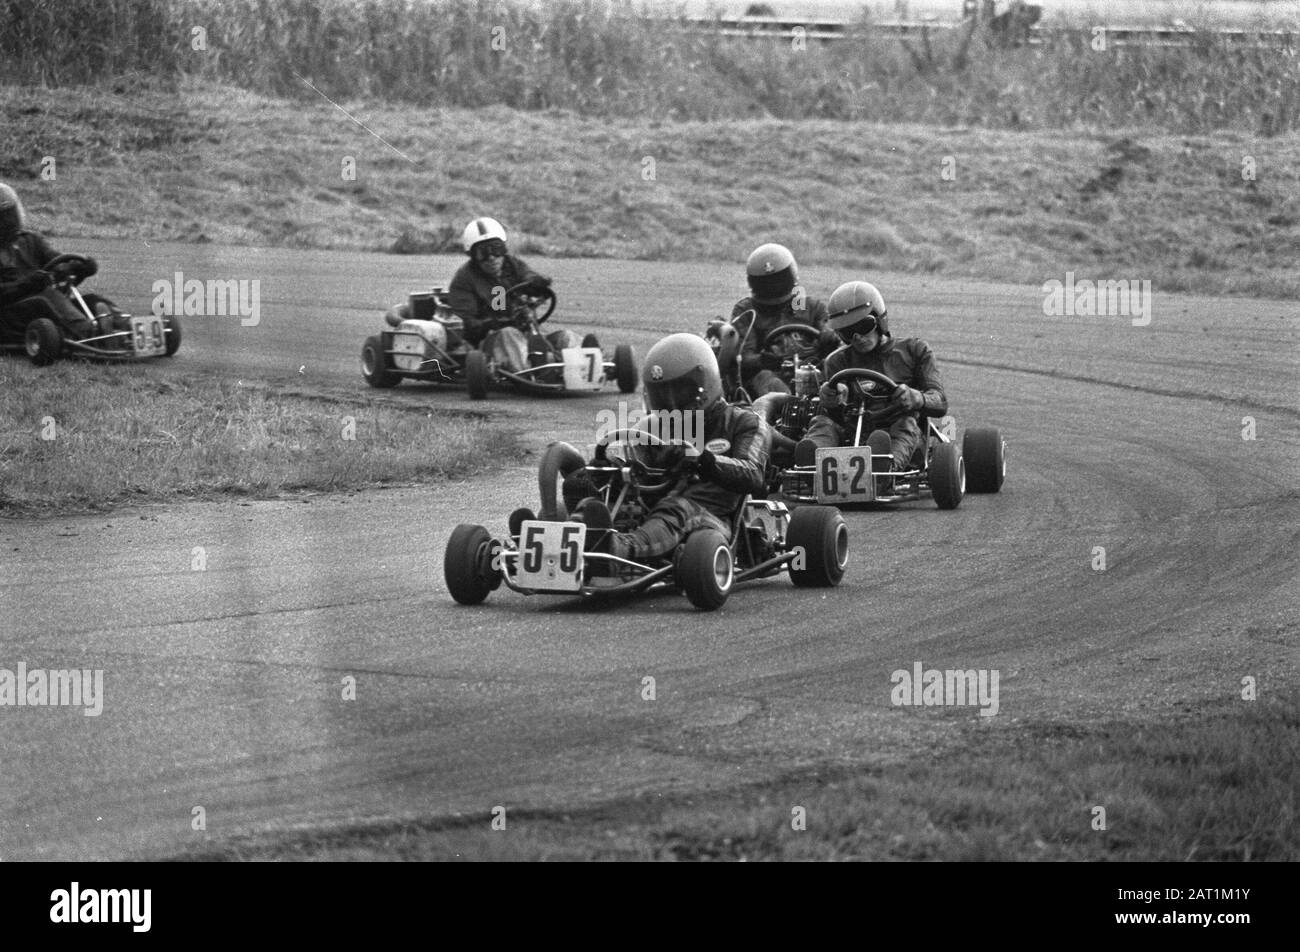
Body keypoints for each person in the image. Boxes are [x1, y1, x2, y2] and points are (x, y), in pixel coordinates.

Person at [543, 333, 769, 564]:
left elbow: (753, 474)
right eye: (662, 394)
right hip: (651, 509)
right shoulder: (652, 426)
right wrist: (609, 470)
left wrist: (704, 460)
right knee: (587, 489)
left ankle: (615, 549)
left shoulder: (744, 422)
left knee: (676, 508)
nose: (670, 403)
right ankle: (553, 542)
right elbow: (635, 467)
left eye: (679, 392)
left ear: (705, 383)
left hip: (711, 518)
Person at [794, 280, 947, 471]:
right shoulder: (836, 361)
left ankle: (883, 468)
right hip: (853, 431)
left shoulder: (915, 350)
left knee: (905, 423)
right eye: (847, 332)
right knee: (822, 423)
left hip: (900, 429)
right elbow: (834, 416)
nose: (857, 337)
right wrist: (832, 400)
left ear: (880, 319)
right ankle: (812, 464)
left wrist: (917, 398)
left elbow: (940, 401)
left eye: (864, 326)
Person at [446, 217, 584, 371]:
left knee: (566, 337)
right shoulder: (464, 279)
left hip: (526, 333)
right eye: (483, 253)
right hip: (489, 341)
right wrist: (492, 323)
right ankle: (530, 372)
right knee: (509, 333)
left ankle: (582, 366)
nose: (491, 257)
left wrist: (537, 284)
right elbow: (466, 323)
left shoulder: (512, 265)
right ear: (473, 255)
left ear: (503, 249)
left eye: (496, 249)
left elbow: (528, 276)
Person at [0, 183, 111, 339]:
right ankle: (89, 334)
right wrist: (27, 284)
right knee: (46, 298)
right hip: (8, 315)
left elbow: (58, 261)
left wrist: (80, 267)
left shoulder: (30, 240)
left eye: (11, 215)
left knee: (93, 300)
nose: (10, 222)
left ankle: (123, 327)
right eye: (4, 218)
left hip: (40, 306)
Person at [729, 243, 837, 397]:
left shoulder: (810, 307)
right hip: (769, 376)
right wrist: (761, 360)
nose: (772, 286)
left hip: (811, 372)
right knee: (769, 381)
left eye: (777, 280)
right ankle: (785, 407)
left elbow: (829, 332)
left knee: (832, 373)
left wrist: (829, 338)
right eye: (766, 282)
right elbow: (743, 357)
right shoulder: (747, 311)